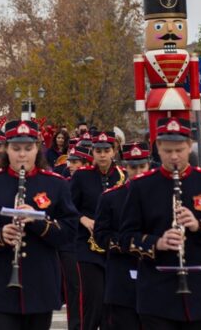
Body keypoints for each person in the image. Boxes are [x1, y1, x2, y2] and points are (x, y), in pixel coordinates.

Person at [120, 117, 201, 330]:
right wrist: (157, 242)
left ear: (190, 144)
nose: (174, 156)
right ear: (157, 146)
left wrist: (199, 226)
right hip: (156, 293)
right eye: (167, 151)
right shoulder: (141, 186)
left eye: (180, 149)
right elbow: (125, 238)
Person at [0, 120, 78, 330]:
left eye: (28, 148)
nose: (22, 155)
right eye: (16, 149)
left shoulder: (56, 184)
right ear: (7, 149)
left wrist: (38, 221)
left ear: (38, 149)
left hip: (40, 283)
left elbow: (69, 233)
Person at [70, 131, 125, 330]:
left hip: (114, 246)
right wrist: (83, 219)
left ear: (114, 151)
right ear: (92, 152)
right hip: (87, 246)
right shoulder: (81, 177)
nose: (102, 155)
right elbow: (67, 208)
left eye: (106, 150)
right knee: (93, 300)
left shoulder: (123, 176)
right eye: (98, 150)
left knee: (112, 302)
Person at [94, 142, 151, 330]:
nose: (138, 171)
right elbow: (101, 235)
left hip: (155, 274)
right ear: (124, 167)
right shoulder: (110, 197)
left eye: (142, 166)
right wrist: (128, 244)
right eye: (133, 167)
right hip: (122, 274)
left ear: (149, 165)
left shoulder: (161, 195)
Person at [57, 143, 92, 330]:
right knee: (75, 289)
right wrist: (82, 219)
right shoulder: (65, 183)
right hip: (71, 243)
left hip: (93, 243)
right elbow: (64, 212)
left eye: (75, 161)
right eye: (70, 161)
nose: (70, 165)